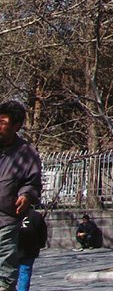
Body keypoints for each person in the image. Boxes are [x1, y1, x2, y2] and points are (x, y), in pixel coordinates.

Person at [0, 100, 42, 291]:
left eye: (2, 122)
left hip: (6, 219)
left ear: (16, 126)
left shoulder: (27, 154)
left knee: (6, 271)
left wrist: (26, 195)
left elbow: (32, 183)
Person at [16, 209, 46, 291]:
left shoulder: (10, 214)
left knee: (10, 274)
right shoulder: (36, 216)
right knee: (24, 273)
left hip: (13, 248)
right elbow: (42, 232)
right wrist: (41, 244)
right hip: (29, 249)